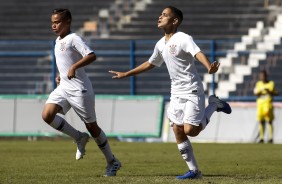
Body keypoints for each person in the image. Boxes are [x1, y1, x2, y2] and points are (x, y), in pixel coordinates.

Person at [109, 6, 231, 180]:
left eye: (165, 15)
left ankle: (214, 104)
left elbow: (197, 53)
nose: (160, 17)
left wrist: (208, 66)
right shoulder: (160, 44)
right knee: (177, 129)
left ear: (175, 21)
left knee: (191, 130)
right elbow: (150, 63)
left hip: (191, 88)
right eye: (160, 14)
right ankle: (194, 171)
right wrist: (127, 73)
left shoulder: (183, 38)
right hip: (176, 92)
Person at [42, 8, 121, 176]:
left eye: (57, 22)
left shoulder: (73, 38)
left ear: (68, 22)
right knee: (47, 115)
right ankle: (79, 137)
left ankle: (112, 161)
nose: (54, 26)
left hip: (80, 89)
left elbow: (91, 55)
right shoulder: (58, 40)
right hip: (64, 86)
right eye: (52, 23)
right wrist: (61, 75)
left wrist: (74, 67)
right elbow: (67, 62)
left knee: (92, 127)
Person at [253, 69, 279, 143]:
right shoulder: (258, 84)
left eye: (263, 76)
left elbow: (273, 92)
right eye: (261, 76)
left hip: (268, 104)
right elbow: (255, 93)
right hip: (260, 104)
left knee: (269, 121)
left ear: (266, 76)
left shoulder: (271, 83)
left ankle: (270, 138)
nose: (262, 77)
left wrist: (268, 91)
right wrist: (260, 92)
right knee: (261, 121)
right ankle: (261, 138)